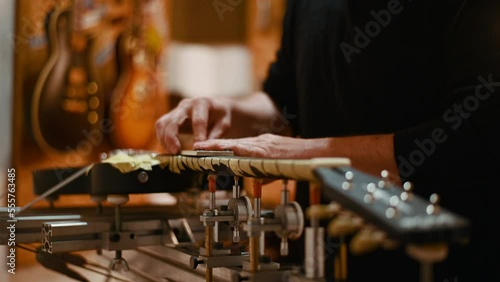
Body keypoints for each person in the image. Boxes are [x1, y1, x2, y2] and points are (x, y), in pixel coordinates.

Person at [155, 0, 500, 281]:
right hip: (319, 257)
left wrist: (307, 153)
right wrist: (231, 111)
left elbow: (476, 135)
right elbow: (284, 100)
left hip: (441, 262)